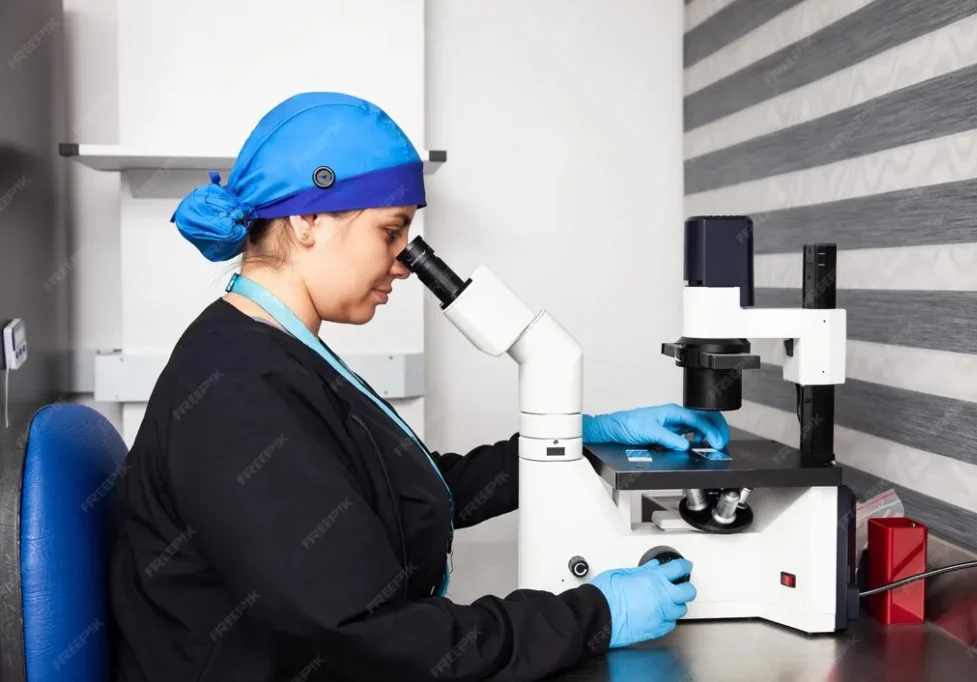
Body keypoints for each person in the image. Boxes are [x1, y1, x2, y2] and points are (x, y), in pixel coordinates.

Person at [108, 91, 731, 682]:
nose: (405, 262)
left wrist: (581, 442)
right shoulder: (238, 392)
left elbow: (398, 493)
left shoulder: (269, 350)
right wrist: (590, 615)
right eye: (391, 231)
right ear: (306, 220)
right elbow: (369, 636)